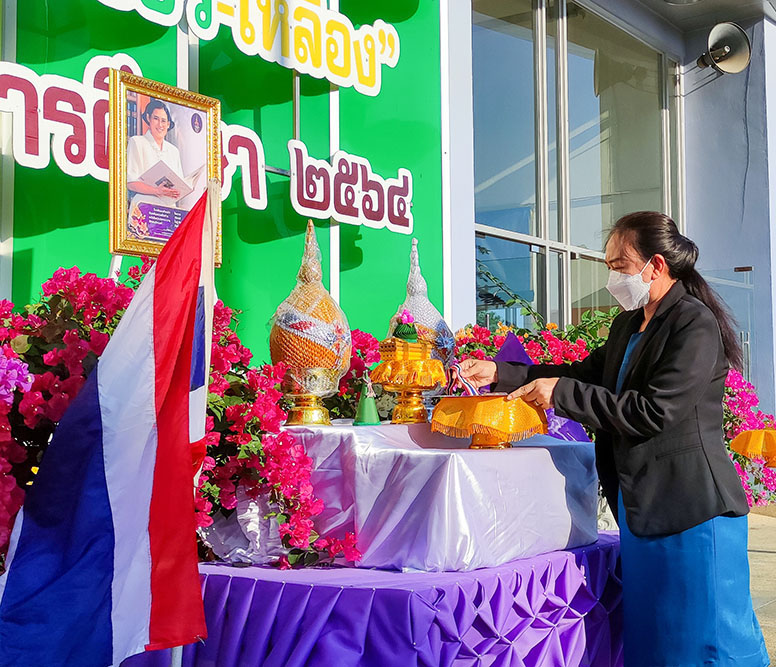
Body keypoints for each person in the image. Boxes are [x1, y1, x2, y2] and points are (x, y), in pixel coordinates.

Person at [461, 211, 769, 667]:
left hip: (692, 513)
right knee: (654, 644)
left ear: (656, 265)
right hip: (642, 510)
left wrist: (561, 395)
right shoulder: (629, 324)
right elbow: (583, 374)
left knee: (706, 645)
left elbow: (654, 412)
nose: (613, 279)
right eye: (608, 267)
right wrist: (501, 373)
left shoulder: (693, 323)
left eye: (620, 266)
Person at [126, 99, 186, 208]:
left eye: (163, 121)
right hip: (143, 208)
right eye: (156, 119)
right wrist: (156, 191)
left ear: (168, 124)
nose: (160, 124)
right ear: (148, 118)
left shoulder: (173, 151)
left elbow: (179, 187)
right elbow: (130, 182)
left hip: (168, 209)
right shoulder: (137, 142)